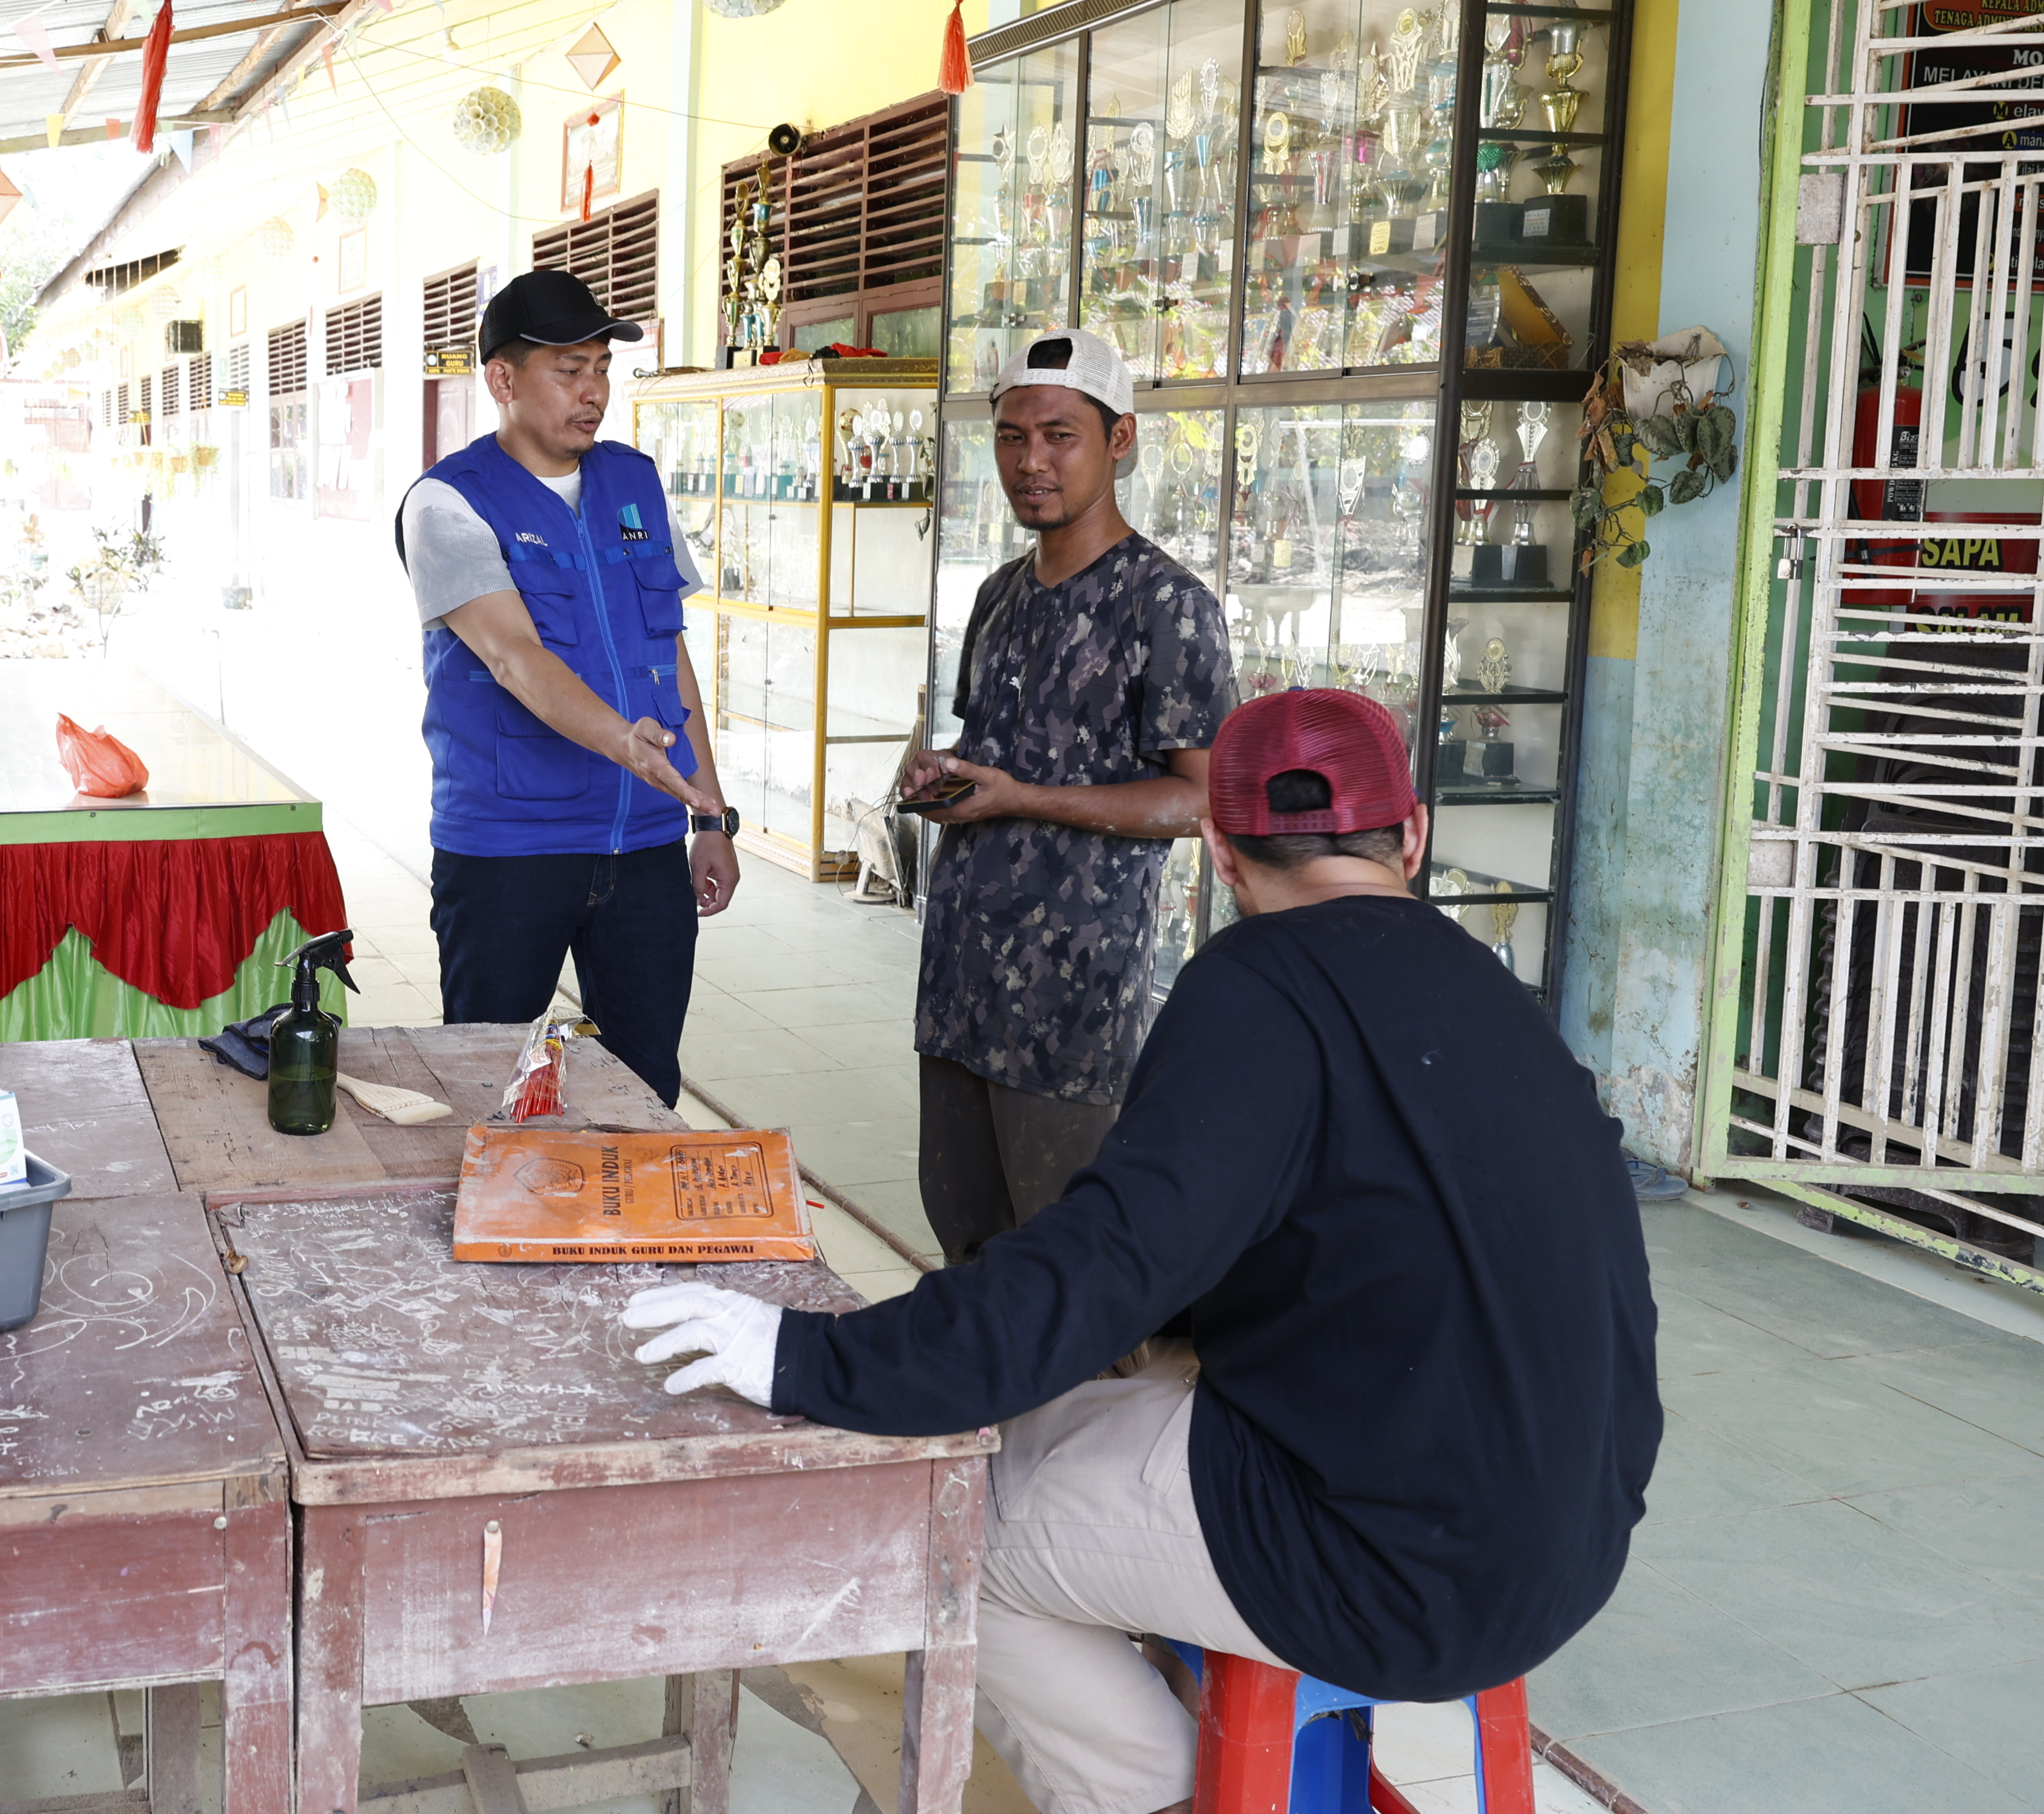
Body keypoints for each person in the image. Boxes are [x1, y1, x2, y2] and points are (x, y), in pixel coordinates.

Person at [623, 686, 1660, 1814]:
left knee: (964, 1521)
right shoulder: (1499, 997)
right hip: (1573, 1540)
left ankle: (1166, 1793)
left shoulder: (1257, 982)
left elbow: (1104, 1263)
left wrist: (805, 1359)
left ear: (1218, 852)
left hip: (1392, 1569)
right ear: (1412, 835)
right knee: (1066, 1420)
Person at [896, 327, 1232, 1259]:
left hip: (1070, 1006)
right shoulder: (1000, 594)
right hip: (962, 987)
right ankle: (991, 1412)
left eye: (1059, 435)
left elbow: (1199, 800)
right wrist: (941, 775)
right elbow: (993, 752)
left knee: (1069, 1263)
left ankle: (1078, 1414)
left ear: (1119, 440)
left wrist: (1023, 799)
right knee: (964, 1235)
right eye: (1011, 437)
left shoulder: (1165, 604)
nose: (1030, 462)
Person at [396, 268, 739, 1104]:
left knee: (646, 1082)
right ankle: (494, 1236)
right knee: (492, 1085)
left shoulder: (634, 482)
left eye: (601, 370)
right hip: (512, 851)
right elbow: (514, 656)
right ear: (502, 381)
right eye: (569, 371)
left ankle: (630, 1238)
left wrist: (710, 811)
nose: (593, 393)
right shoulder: (447, 503)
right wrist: (626, 742)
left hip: (644, 846)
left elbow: (670, 650)